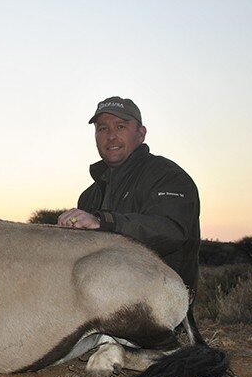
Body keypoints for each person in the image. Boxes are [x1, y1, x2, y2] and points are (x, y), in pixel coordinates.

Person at [57, 96, 200, 291]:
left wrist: (104, 222)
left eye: (120, 127)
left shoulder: (168, 176)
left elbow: (171, 231)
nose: (111, 136)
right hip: (97, 300)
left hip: (160, 303)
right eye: (102, 129)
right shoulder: (89, 196)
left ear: (141, 134)